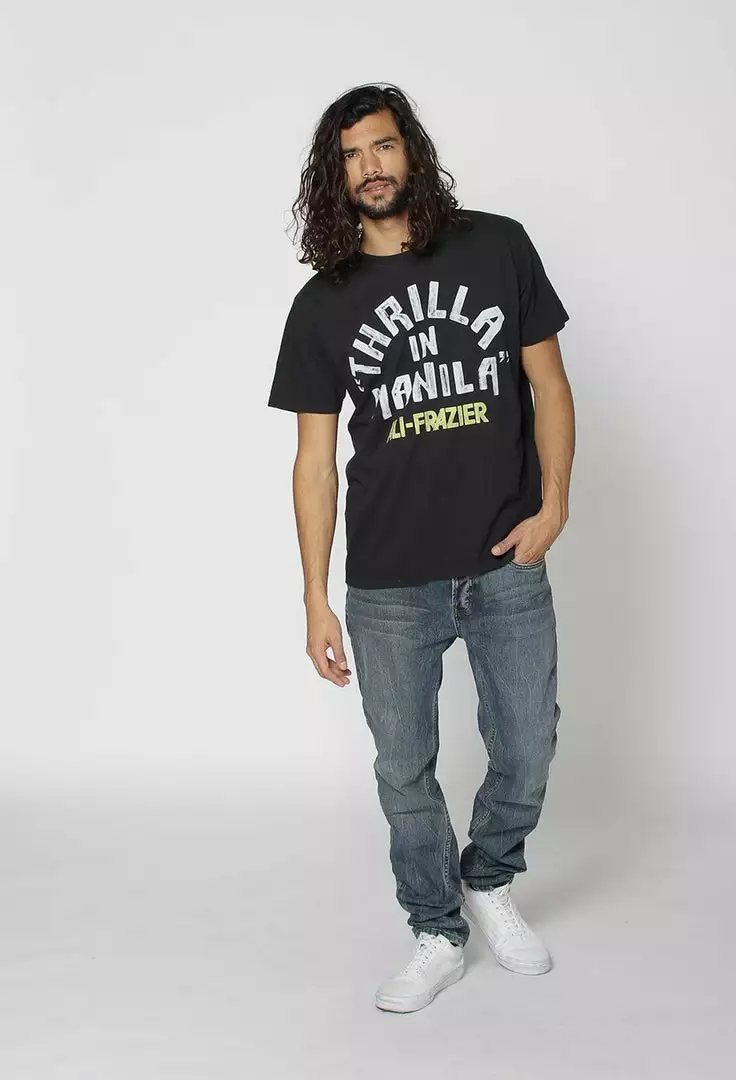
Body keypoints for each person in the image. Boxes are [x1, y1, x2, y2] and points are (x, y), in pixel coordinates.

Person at [267, 83, 576, 1013]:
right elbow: (314, 463)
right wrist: (315, 596)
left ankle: (489, 876)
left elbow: (549, 384)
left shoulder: (497, 246)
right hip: (389, 583)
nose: (370, 166)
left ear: (412, 151)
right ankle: (436, 928)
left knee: (528, 744)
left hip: (504, 560)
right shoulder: (322, 304)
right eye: (351, 155)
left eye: (383, 145)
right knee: (403, 771)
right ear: (334, 176)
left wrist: (554, 505)